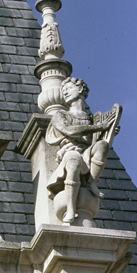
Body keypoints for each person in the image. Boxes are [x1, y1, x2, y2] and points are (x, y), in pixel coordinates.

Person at [46, 76, 121, 224]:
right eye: (63, 90)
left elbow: (98, 142)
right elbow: (71, 131)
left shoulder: (93, 118)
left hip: (85, 154)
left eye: (68, 89)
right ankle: (71, 209)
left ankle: (91, 182)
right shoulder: (60, 115)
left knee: (102, 146)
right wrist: (100, 127)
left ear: (80, 89)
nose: (65, 93)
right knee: (73, 158)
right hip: (69, 154)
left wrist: (110, 131)